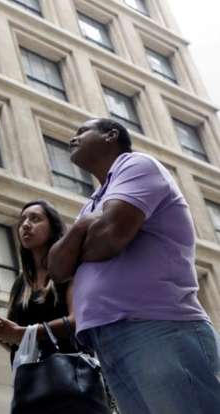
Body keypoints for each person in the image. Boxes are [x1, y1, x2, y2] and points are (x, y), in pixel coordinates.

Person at [48, 118, 220, 413]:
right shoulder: (91, 205)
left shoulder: (137, 164)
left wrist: (83, 245)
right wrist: (80, 229)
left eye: (81, 131)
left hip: (156, 328)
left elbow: (110, 237)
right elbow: (58, 269)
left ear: (110, 135)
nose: (72, 139)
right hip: (109, 339)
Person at [0, 200, 76, 361]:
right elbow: (16, 343)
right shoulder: (21, 282)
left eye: (35, 219)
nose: (25, 225)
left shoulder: (68, 268)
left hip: (71, 375)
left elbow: (76, 321)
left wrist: (24, 333)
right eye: (22, 221)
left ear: (53, 227)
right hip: (31, 380)